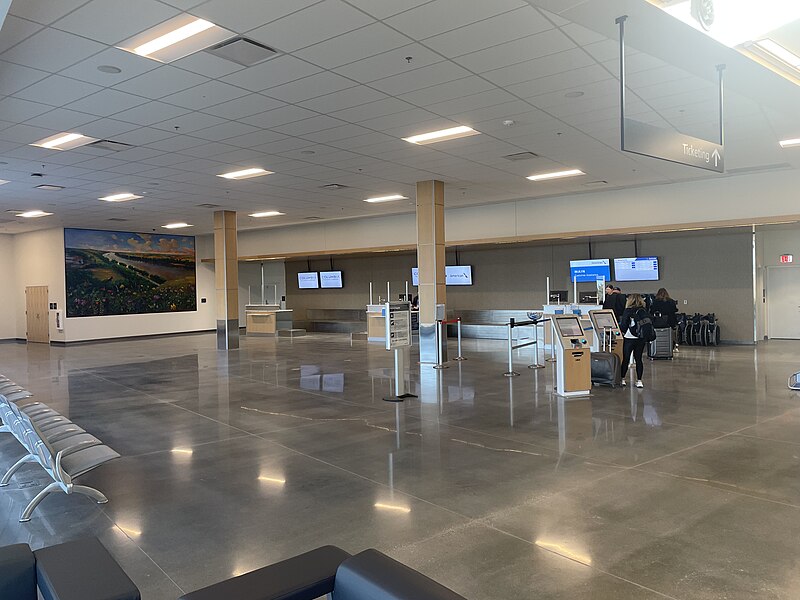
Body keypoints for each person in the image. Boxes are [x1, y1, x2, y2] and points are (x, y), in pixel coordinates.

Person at [619, 293, 649, 388]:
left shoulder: (627, 311)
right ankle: (639, 381)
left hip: (629, 337)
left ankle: (622, 379)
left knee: (626, 358)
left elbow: (624, 325)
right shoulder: (643, 310)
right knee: (638, 359)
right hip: (641, 337)